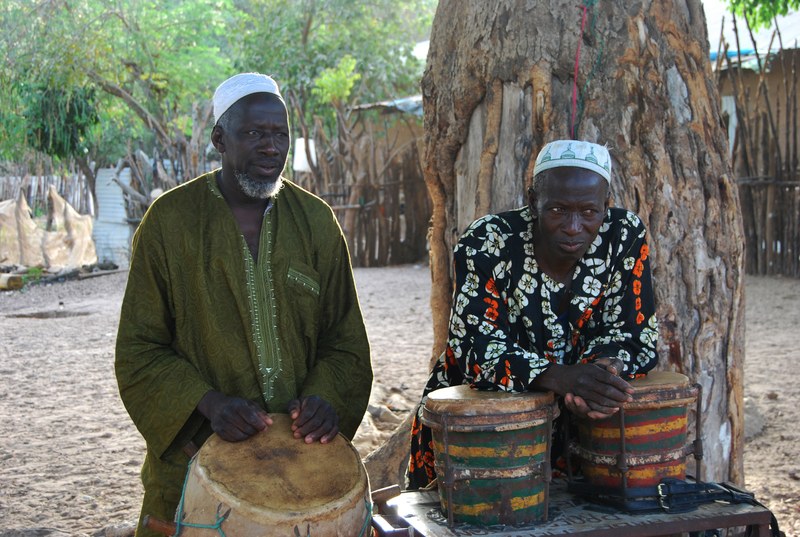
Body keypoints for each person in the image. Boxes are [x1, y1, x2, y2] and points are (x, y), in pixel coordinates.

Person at [115, 72, 372, 536]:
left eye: (279, 134)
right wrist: (209, 405)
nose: (271, 147)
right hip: (197, 464)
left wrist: (325, 399)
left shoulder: (316, 221)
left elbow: (345, 340)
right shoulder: (169, 224)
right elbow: (140, 349)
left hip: (300, 469)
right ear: (219, 138)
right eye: (254, 133)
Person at [407, 139, 658, 489]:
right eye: (558, 210)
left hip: (581, 429)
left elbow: (634, 333)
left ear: (606, 205)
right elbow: (474, 346)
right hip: (478, 430)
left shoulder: (623, 236)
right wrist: (560, 377)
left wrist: (602, 375)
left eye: (589, 212)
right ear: (532, 201)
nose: (573, 227)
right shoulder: (488, 241)